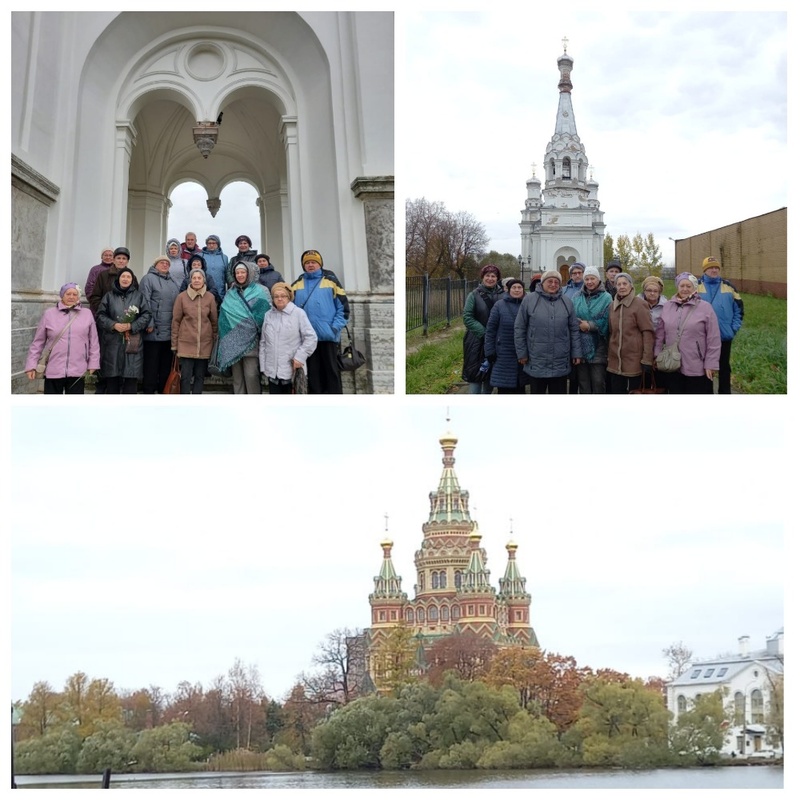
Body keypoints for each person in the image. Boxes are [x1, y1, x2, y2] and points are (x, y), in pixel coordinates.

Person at [514, 269, 582, 394]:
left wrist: (576, 353)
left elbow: (573, 329)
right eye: (549, 281)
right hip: (536, 359)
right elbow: (520, 328)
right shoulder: (529, 300)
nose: (553, 284)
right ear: (542, 283)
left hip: (560, 360)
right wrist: (522, 353)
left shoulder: (566, 302)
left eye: (556, 282)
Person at [24, 282, 100, 394]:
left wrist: (93, 363)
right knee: (52, 407)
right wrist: (31, 366)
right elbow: (38, 342)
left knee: (74, 407)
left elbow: (94, 341)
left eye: (75, 294)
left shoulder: (87, 314)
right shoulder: (49, 314)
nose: (71, 297)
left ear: (78, 296)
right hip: (54, 368)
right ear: (62, 295)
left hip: (77, 369)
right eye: (68, 294)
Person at [654, 272, 721, 394]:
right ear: (677, 287)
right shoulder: (668, 306)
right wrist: (657, 355)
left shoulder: (705, 308)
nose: (685, 289)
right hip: (672, 364)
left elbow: (714, 338)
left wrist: (710, 364)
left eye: (688, 286)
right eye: (682, 286)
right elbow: (660, 334)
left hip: (696, 365)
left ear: (694, 288)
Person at [291, 249, 347, 394]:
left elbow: (343, 309)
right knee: (313, 374)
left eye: (314, 262)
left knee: (331, 372)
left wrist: (334, 328)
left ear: (320, 264)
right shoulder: (296, 284)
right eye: (307, 263)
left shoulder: (331, 281)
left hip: (327, 336)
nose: (310, 265)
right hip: (307, 339)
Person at [96, 266, 152, 393]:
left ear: (132, 280)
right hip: (112, 341)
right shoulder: (109, 296)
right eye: (123, 276)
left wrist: (132, 326)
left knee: (130, 381)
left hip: (131, 341)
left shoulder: (139, 296)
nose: (125, 279)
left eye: (128, 277)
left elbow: (147, 314)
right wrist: (113, 325)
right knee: (112, 380)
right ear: (118, 279)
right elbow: (100, 315)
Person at [89, 247, 137, 394]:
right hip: (108, 324)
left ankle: (120, 385)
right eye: (119, 258)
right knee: (107, 356)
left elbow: (136, 299)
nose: (121, 261)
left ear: (127, 261)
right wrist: (107, 315)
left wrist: (129, 319)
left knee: (123, 356)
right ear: (114, 260)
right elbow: (95, 297)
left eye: (124, 259)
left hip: (126, 325)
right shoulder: (103, 275)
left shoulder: (131, 276)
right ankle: (103, 385)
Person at [218, 262, 271, 393]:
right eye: (237, 273)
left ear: (249, 273)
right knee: (237, 378)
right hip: (232, 341)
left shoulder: (261, 290)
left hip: (252, 340)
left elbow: (266, 314)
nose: (240, 275)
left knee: (251, 375)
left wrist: (249, 327)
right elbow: (224, 313)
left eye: (243, 272)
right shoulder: (231, 292)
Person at [259, 282, 318, 394]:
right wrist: (264, 367)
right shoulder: (268, 315)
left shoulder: (298, 314)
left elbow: (311, 337)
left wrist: (300, 357)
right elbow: (263, 342)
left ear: (289, 297)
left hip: (291, 370)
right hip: (272, 372)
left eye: (283, 296)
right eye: (276, 296)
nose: (279, 299)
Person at [697, 256, 743, 394]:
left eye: (716, 267)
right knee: (705, 367)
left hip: (724, 336)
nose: (714, 270)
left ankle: (725, 394)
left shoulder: (729, 287)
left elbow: (739, 309)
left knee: (724, 367)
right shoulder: (696, 286)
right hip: (703, 337)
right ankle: (707, 394)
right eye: (711, 267)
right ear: (705, 270)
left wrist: (733, 329)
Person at [171, 267, 219, 394]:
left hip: (204, 343)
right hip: (186, 343)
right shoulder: (181, 297)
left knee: (200, 376)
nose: (197, 280)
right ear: (190, 280)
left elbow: (214, 321)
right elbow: (176, 321)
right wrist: (174, 344)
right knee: (186, 376)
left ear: (204, 280)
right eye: (194, 278)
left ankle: (197, 402)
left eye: (199, 278)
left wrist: (214, 340)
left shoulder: (210, 297)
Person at [139, 254, 182, 393]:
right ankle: (149, 391)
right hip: (153, 330)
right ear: (155, 265)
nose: (165, 265)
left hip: (169, 331)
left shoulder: (173, 281)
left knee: (165, 364)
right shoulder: (148, 279)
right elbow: (144, 301)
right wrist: (149, 323)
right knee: (151, 364)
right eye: (162, 263)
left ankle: (164, 390)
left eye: (167, 263)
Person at [606, 272, 654, 394]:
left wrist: (647, 359)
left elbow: (647, 332)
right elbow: (611, 332)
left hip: (634, 360)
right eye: (618, 284)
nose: (622, 286)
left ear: (631, 285)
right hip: (615, 361)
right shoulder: (612, 306)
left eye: (624, 283)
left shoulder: (640, 304)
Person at [462, 264, 504, 394]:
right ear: (482, 277)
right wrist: (484, 333)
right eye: (487, 276)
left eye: (493, 276)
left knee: (490, 374)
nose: (490, 278)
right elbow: (467, 316)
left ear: (497, 278)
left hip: (495, 341)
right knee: (475, 373)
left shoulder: (503, 295)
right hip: (476, 340)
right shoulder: (474, 295)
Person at [572, 266, 611, 393]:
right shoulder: (576, 297)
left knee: (598, 382)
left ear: (598, 279)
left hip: (599, 346)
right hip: (580, 345)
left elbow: (607, 320)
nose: (589, 282)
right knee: (583, 383)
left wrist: (589, 325)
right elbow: (571, 316)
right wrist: (578, 323)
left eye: (592, 278)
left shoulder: (606, 298)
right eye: (587, 279)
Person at [484, 278, 526, 394]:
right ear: (508, 290)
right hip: (503, 353)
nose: (517, 290)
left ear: (523, 290)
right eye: (514, 287)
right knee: (504, 388)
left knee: (520, 387)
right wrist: (489, 351)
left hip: (522, 353)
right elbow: (491, 329)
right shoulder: (499, 305)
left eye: (519, 288)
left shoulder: (527, 304)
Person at [201, 235, 229, 302]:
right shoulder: (201, 256)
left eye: (214, 243)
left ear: (218, 244)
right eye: (209, 243)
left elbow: (226, 274)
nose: (211, 245)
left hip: (220, 292)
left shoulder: (224, 258)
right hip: (204, 291)